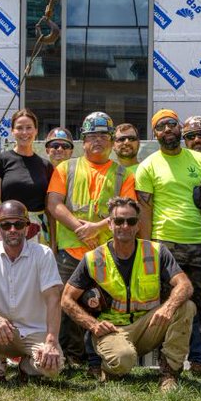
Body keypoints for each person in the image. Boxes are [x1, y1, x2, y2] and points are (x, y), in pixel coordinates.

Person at [60, 197, 195, 391]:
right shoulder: (94, 258)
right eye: (119, 221)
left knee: (186, 306)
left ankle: (169, 374)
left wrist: (168, 308)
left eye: (131, 221)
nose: (125, 226)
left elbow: (185, 285)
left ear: (138, 225)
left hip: (148, 326)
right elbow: (66, 299)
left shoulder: (156, 251)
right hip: (112, 330)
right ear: (109, 224)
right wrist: (93, 325)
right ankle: (107, 367)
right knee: (124, 360)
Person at [46, 112, 137, 363]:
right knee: (66, 306)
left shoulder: (123, 174)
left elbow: (128, 210)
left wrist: (96, 228)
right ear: (83, 141)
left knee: (101, 306)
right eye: (92, 136)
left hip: (105, 252)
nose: (98, 141)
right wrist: (81, 229)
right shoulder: (66, 168)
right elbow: (54, 204)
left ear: (111, 141)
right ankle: (70, 358)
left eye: (103, 136)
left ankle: (98, 359)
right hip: (70, 251)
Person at [136, 109, 201, 374]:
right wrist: (147, 249)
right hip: (165, 245)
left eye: (171, 124)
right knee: (169, 305)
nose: (167, 129)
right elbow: (145, 212)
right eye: (160, 126)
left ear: (180, 128)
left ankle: (200, 361)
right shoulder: (148, 166)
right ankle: (169, 364)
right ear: (155, 134)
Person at [0, 200, 64, 385]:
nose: (12, 229)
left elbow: (53, 299)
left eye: (18, 224)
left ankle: (27, 366)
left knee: (53, 368)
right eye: (6, 225)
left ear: (27, 227)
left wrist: (51, 341)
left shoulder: (43, 254)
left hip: (33, 332)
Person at [0, 109, 53, 241]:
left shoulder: (46, 166)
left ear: (36, 131)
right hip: (8, 229)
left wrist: (52, 241)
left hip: (37, 232)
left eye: (29, 128)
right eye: (19, 128)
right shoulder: (0, 160)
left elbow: (50, 209)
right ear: (12, 131)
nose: (24, 132)